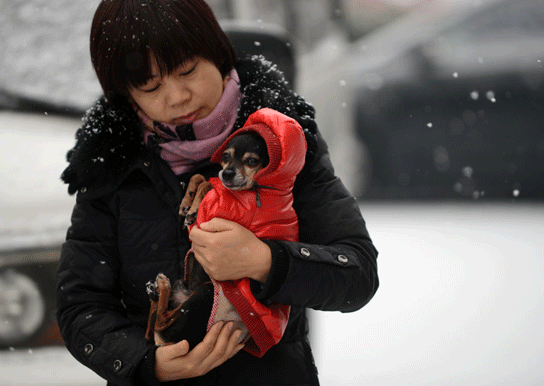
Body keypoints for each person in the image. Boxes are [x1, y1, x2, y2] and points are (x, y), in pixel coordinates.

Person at [57, 0, 379, 385]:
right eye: (150, 86)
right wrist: (148, 364)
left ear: (218, 55)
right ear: (126, 95)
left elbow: (357, 274)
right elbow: (81, 307)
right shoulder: (111, 169)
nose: (177, 97)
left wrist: (265, 261)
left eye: (187, 71)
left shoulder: (282, 145)